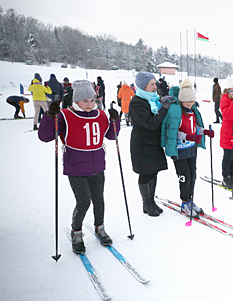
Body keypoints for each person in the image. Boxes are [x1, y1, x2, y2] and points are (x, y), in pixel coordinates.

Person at [38, 80, 120, 254]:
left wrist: (115, 120)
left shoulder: (100, 114)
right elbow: (45, 136)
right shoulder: (65, 115)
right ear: (76, 101)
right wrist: (50, 116)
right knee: (83, 201)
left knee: (99, 199)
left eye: (92, 100)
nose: (90, 104)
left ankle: (100, 228)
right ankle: (76, 232)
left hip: (97, 165)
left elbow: (112, 135)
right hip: (76, 167)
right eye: (85, 101)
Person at [161, 78, 214, 217]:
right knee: (184, 176)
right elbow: (173, 132)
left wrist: (205, 132)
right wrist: (190, 137)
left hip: (191, 149)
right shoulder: (176, 112)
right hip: (179, 151)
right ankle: (185, 202)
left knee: (192, 176)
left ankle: (190, 200)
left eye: (192, 104)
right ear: (181, 101)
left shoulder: (192, 112)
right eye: (187, 103)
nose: (190, 106)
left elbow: (195, 128)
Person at [129, 72, 172, 217]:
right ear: (143, 86)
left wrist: (164, 103)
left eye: (155, 83)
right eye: (152, 84)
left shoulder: (154, 100)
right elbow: (149, 124)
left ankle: (151, 201)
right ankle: (146, 203)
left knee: (153, 171)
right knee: (145, 173)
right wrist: (163, 109)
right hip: (142, 144)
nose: (156, 86)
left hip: (153, 143)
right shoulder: (136, 102)